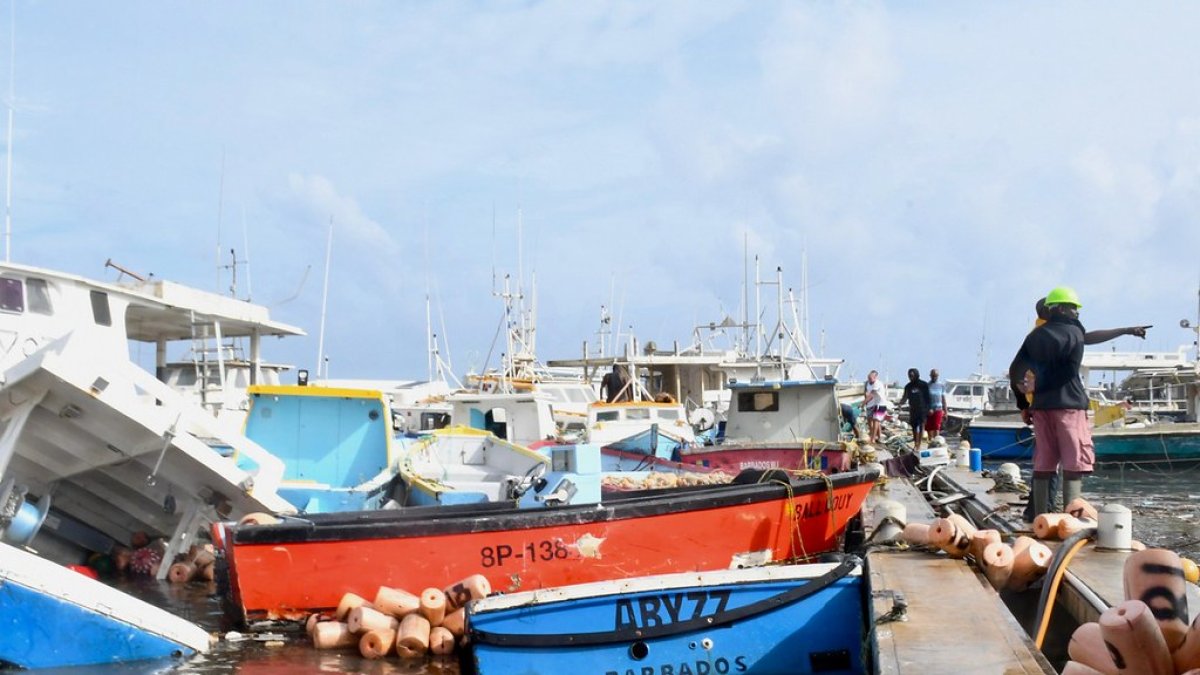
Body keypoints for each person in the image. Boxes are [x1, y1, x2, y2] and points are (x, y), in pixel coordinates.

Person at [1016, 294, 1150, 521]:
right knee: (1073, 463)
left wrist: (1026, 404)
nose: (1077, 313)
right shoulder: (1071, 331)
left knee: (1044, 463)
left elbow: (1021, 373)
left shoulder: (1035, 336)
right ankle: (1071, 519)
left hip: (1042, 406)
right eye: (1072, 308)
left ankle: (1040, 518)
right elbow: (1087, 337)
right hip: (1068, 405)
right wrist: (1126, 330)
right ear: (1058, 310)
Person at [895, 368, 932, 451]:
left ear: (916, 375)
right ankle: (916, 443)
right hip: (913, 409)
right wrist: (900, 404)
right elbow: (905, 397)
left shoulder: (923, 385)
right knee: (914, 427)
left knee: (921, 425)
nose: (910, 377)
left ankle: (919, 444)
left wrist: (930, 408)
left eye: (912, 375)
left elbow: (928, 398)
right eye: (909, 376)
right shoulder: (908, 386)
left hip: (923, 409)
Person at [862, 370, 888, 444]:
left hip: (881, 404)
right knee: (873, 421)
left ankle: (873, 439)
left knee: (876, 421)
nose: (869, 379)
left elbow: (871, 395)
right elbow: (866, 393)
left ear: (875, 377)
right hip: (874, 404)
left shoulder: (878, 384)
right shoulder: (867, 383)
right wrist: (866, 402)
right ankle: (877, 437)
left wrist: (863, 403)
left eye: (871, 378)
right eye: (868, 378)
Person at [925, 369, 947, 438]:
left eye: (936, 376)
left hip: (938, 409)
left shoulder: (941, 386)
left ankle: (936, 442)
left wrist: (946, 411)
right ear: (930, 376)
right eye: (933, 376)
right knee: (929, 428)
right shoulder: (927, 386)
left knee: (936, 427)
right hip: (929, 410)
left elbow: (943, 399)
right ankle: (931, 441)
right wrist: (927, 409)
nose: (934, 377)